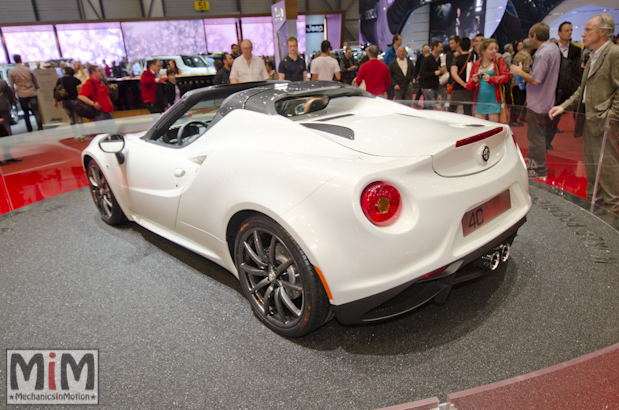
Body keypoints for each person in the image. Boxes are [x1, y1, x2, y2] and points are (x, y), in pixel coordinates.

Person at [549, 14, 619, 213]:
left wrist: (610, 116)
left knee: (607, 166)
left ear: (603, 32)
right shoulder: (592, 55)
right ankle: (595, 206)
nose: (582, 33)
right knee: (593, 166)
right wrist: (564, 106)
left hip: (604, 122)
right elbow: (583, 89)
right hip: (589, 119)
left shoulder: (614, 53)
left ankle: (614, 212)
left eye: (588, 29)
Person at [510, 22, 561, 179]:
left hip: (538, 102)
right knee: (539, 136)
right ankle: (537, 166)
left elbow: (536, 79)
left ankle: (538, 168)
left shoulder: (542, 53)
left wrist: (519, 72)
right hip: (546, 100)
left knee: (535, 137)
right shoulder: (553, 49)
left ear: (534, 36)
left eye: (530, 37)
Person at [546, 21, 583, 149]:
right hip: (552, 86)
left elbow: (577, 70)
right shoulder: (552, 48)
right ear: (559, 33)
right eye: (567, 30)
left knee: (557, 116)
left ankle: (548, 140)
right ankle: (544, 140)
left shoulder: (576, 50)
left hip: (566, 87)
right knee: (547, 115)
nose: (569, 33)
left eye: (571, 30)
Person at [466, 38, 510, 121]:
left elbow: (506, 77)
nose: (494, 51)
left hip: (494, 100)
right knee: (479, 127)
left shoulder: (499, 60)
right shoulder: (476, 64)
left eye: (495, 48)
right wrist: (473, 80)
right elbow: (468, 86)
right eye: (491, 49)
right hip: (480, 101)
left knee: (493, 127)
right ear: (483, 51)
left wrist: (491, 79)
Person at [8, 54, 43, 132]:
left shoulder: (11, 71)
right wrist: (36, 87)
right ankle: (40, 127)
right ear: (21, 59)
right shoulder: (27, 69)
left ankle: (29, 128)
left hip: (21, 93)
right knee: (36, 110)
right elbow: (35, 80)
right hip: (31, 92)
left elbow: (11, 85)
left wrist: (13, 95)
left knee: (25, 112)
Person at [509, 38, 533, 126]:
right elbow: (526, 71)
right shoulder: (527, 56)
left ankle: (513, 118)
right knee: (520, 102)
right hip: (521, 83)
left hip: (515, 81)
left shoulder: (518, 54)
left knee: (515, 102)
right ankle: (514, 120)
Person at [449, 37, 475, 116]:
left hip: (457, 88)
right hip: (470, 87)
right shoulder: (473, 57)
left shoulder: (456, 59)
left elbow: (454, 74)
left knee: (452, 109)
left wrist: (463, 84)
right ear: (470, 46)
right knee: (468, 110)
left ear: (460, 47)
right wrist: (466, 85)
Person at [418, 40, 445, 106]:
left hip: (435, 86)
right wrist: (434, 73)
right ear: (435, 47)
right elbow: (421, 73)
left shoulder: (438, 59)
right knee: (430, 108)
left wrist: (441, 72)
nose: (442, 49)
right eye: (440, 47)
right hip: (428, 88)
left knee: (433, 107)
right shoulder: (426, 60)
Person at [383, 34, 402, 99]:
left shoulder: (400, 51)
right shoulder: (389, 51)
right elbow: (384, 62)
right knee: (391, 95)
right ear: (395, 41)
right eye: (400, 40)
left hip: (398, 76)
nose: (401, 41)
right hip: (390, 76)